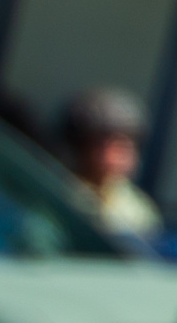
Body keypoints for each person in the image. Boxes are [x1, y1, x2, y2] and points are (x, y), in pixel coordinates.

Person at [59, 86, 163, 240]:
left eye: (129, 144)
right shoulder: (59, 193)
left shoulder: (136, 208)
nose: (122, 155)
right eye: (111, 144)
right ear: (82, 146)